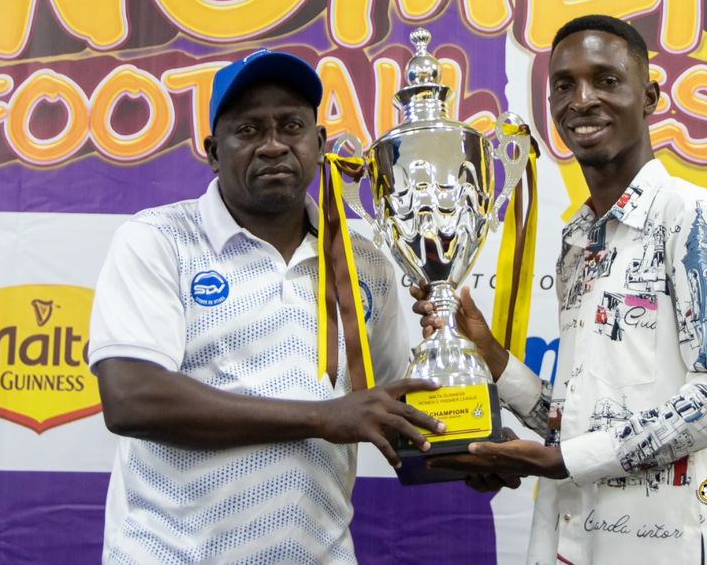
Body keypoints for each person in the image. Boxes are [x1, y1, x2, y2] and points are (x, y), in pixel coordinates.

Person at [415, 15, 707, 563]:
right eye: (563, 84)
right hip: (571, 541)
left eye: (606, 80)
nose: (581, 100)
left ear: (648, 97)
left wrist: (559, 461)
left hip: (667, 545)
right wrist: (489, 354)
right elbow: (576, 421)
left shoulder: (691, 215)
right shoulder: (578, 240)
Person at [88, 48, 442, 563]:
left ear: (319, 143)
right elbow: (132, 397)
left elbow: (387, 412)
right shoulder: (158, 239)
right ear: (213, 150)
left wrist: (469, 453)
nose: (273, 146)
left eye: (291, 126)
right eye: (248, 131)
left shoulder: (365, 263)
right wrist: (322, 417)